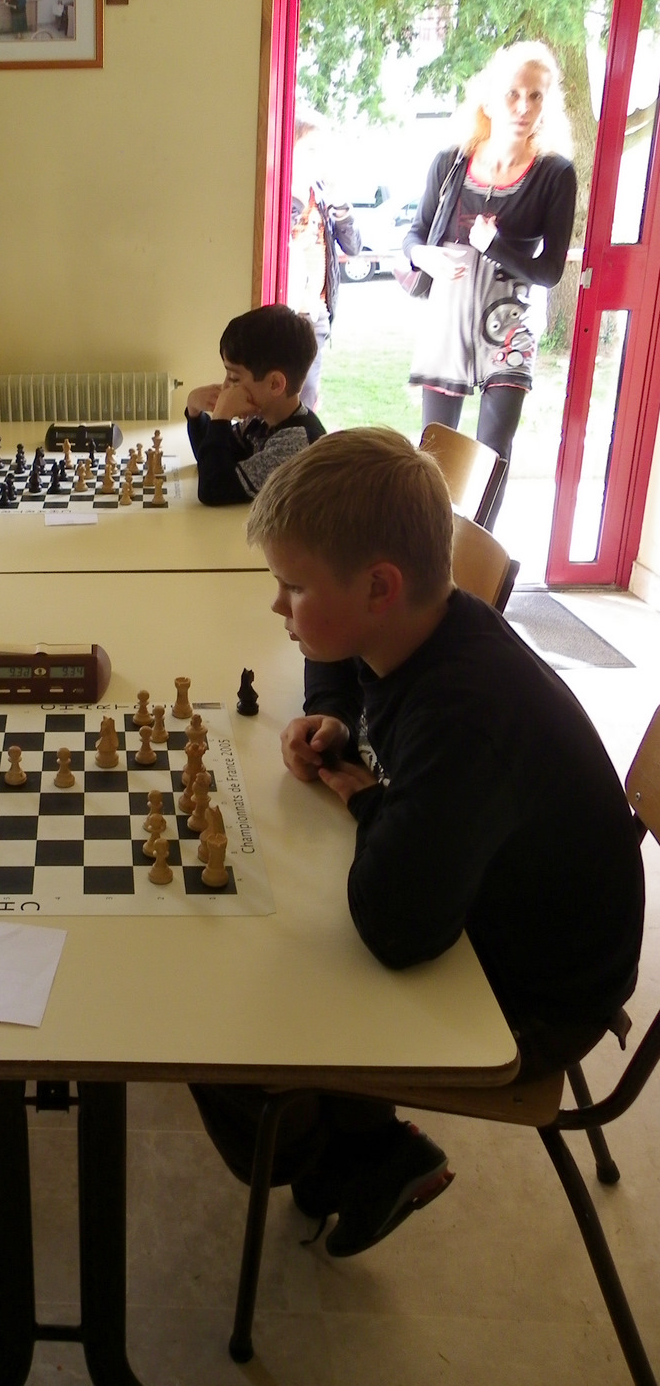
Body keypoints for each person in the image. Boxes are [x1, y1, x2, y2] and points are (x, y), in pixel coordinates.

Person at [191, 428, 644, 1257]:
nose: (277, 607)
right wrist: (336, 720)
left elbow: (394, 927)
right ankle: (367, 1149)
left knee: (213, 1015)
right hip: (491, 903)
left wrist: (370, 802)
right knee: (261, 928)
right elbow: (339, 659)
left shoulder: (462, 713)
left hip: (532, 993)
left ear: (379, 586)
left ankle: (340, 1154)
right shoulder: (422, 626)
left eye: (294, 587)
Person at [404, 41, 577, 525]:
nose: (524, 107)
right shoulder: (451, 162)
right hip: (447, 321)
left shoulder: (555, 174)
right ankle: (431, 552)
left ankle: (477, 558)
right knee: (435, 453)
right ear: (489, 98)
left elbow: (549, 271)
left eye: (536, 96)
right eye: (513, 94)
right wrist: (424, 255)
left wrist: (494, 245)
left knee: (493, 451)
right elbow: (414, 235)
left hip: (509, 327)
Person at [184, 303, 325, 505]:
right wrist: (194, 413)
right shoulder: (260, 421)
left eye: (234, 378)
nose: (225, 387)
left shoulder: (295, 444)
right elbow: (211, 459)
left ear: (274, 384)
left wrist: (221, 417)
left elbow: (213, 489)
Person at [286, 111, 363, 415]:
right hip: (285, 312)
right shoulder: (279, 193)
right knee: (278, 397)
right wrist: (295, 197)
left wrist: (340, 205)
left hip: (316, 312)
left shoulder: (321, 196)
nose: (318, 158)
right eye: (310, 149)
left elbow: (353, 246)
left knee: (306, 398)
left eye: (322, 151)